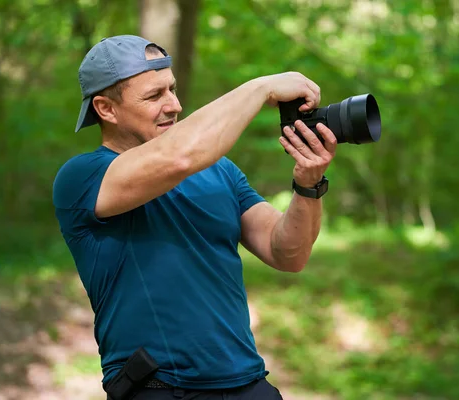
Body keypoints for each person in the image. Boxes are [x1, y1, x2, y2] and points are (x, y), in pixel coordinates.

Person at [52, 35, 337, 400]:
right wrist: (262, 87)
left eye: (171, 89)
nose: (174, 105)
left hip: (248, 383)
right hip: (161, 388)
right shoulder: (84, 177)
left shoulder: (220, 171)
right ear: (106, 109)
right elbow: (179, 156)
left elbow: (288, 253)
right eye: (154, 96)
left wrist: (308, 185)